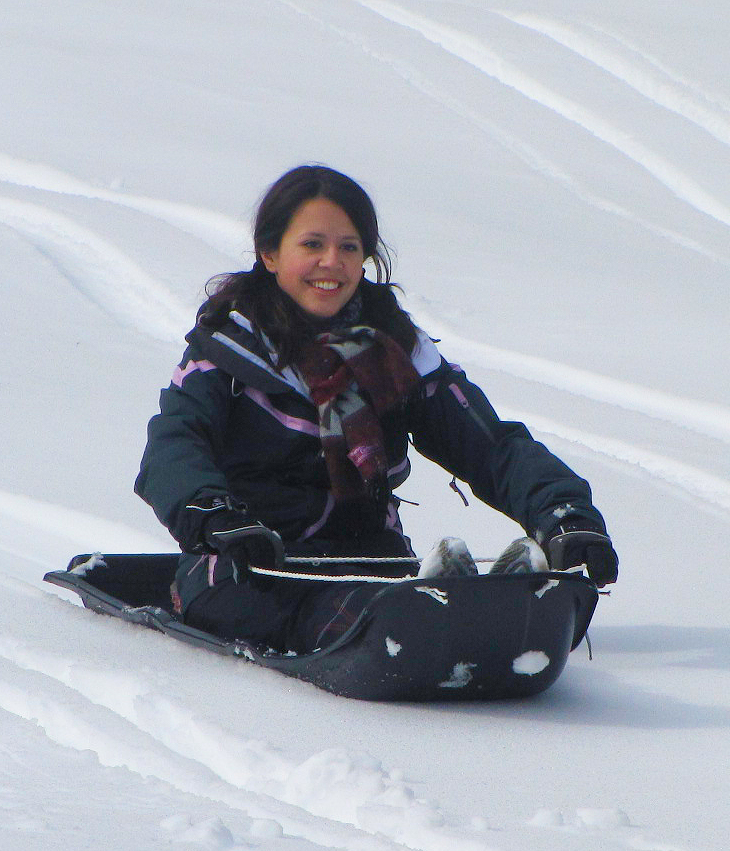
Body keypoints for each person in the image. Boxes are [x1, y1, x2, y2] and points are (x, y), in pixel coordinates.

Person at [134, 165, 617, 654]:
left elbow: (492, 448)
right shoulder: (226, 354)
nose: (332, 262)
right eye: (312, 245)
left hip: (371, 564)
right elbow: (174, 446)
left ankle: (471, 608)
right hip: (246, 570)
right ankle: (436, 620)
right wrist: (215, 517)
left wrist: (565, 515)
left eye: (349, 247)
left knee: (372, 604)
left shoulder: (395, 354)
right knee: (353, 614)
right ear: (270, 253)